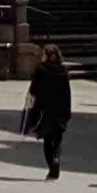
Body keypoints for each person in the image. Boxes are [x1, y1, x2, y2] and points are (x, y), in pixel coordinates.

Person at [23, 44, 73, 179]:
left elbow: (33, 91)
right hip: (61, 111)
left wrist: (30, 110)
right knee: (57, 140)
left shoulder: (41, 71)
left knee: (47, 140)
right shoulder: (63, 71)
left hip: (46, 110)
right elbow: (67, 93)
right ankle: (56, 159)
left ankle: (52, 168)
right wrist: (67, 112)